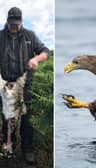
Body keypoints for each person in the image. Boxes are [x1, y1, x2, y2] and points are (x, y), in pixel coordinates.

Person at [0, 7, 49, 163]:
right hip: (6, 84)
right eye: (11, 23)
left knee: (27, 119)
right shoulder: (0, 37)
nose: (14, 26)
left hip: (25, 84)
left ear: (21, 22)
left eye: (17, 23)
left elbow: (45, 51)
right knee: (7, 118)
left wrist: (36, 59)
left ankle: (27, 149)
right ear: (7, 21)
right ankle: (8, 146)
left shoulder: (30, 36)